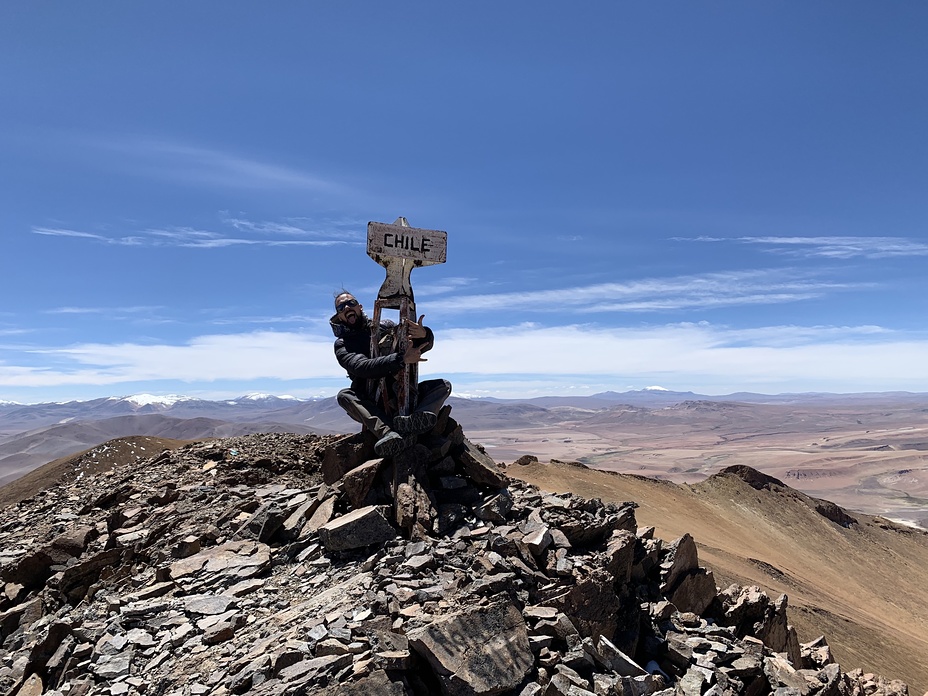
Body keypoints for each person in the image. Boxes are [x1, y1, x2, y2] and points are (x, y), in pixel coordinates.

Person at [330, 291, 452, 457]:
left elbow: (413, 343)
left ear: (360, 307)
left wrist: (424, 335)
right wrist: (401, 359)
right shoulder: (343, 344)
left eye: (351, 303)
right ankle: (388, 433)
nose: (346, 307)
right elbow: (361, 367)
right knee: (345, 395)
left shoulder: (384, 325)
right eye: (341, 307)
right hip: (372, 400)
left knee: (442, 385)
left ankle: (413, 421)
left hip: (401, 389)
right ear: (339, 316)